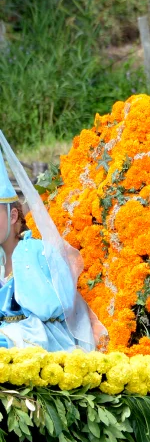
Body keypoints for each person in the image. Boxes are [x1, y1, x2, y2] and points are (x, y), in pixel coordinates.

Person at [0, 135, 99, 351]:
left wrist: (9, 334)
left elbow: (47, 317)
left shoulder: (34, 251)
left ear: (14, 216)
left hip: (44, 344)